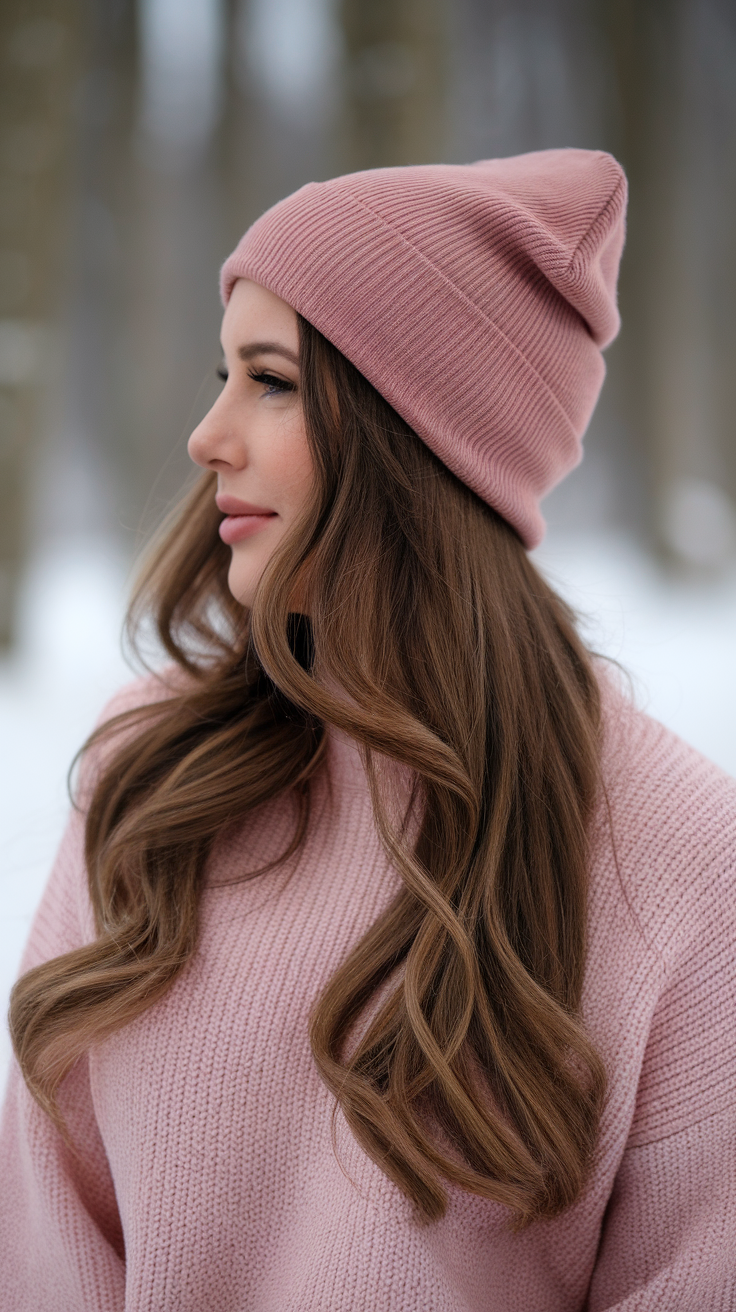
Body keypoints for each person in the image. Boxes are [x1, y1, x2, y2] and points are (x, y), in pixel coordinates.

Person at [1, 149, 734, 1311]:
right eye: (222, 373)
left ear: (421, 437)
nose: (207, 435)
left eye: (272, 381)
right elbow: (45, 1236)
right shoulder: (154, 771)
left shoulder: (677, 849)